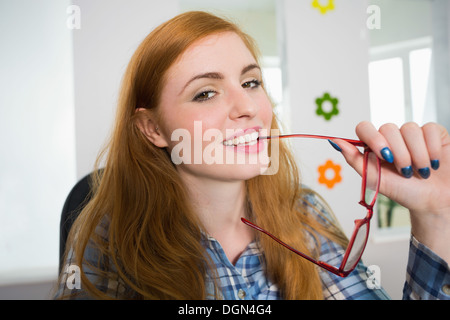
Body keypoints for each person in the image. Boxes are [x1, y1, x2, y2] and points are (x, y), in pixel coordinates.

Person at [55, 11, 450, 300]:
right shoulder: (109, 236)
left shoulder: (304, 212)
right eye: (205, 92)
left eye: (251, 82)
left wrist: (434, 216)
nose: (248, 106)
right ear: (152, 129)